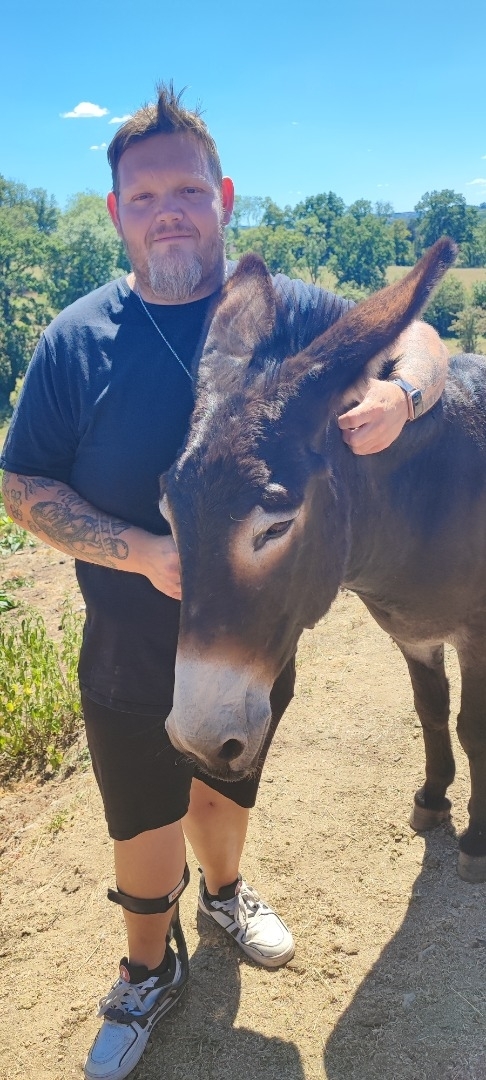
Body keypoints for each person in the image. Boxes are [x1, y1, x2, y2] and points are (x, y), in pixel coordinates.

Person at [0, 83, 449, 1080]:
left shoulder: (284, 315)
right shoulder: (76, 341)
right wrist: (138, 551)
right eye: (145, 196)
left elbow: (416, 335)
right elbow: (21, 484)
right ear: (116, 212)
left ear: (224, 198)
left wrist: (402, 395)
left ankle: (226, 894)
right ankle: (147, 968)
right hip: (129, 647)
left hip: (252, 642)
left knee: (227, 790)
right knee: (142, 822)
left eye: (188, 192)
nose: (168, 212)